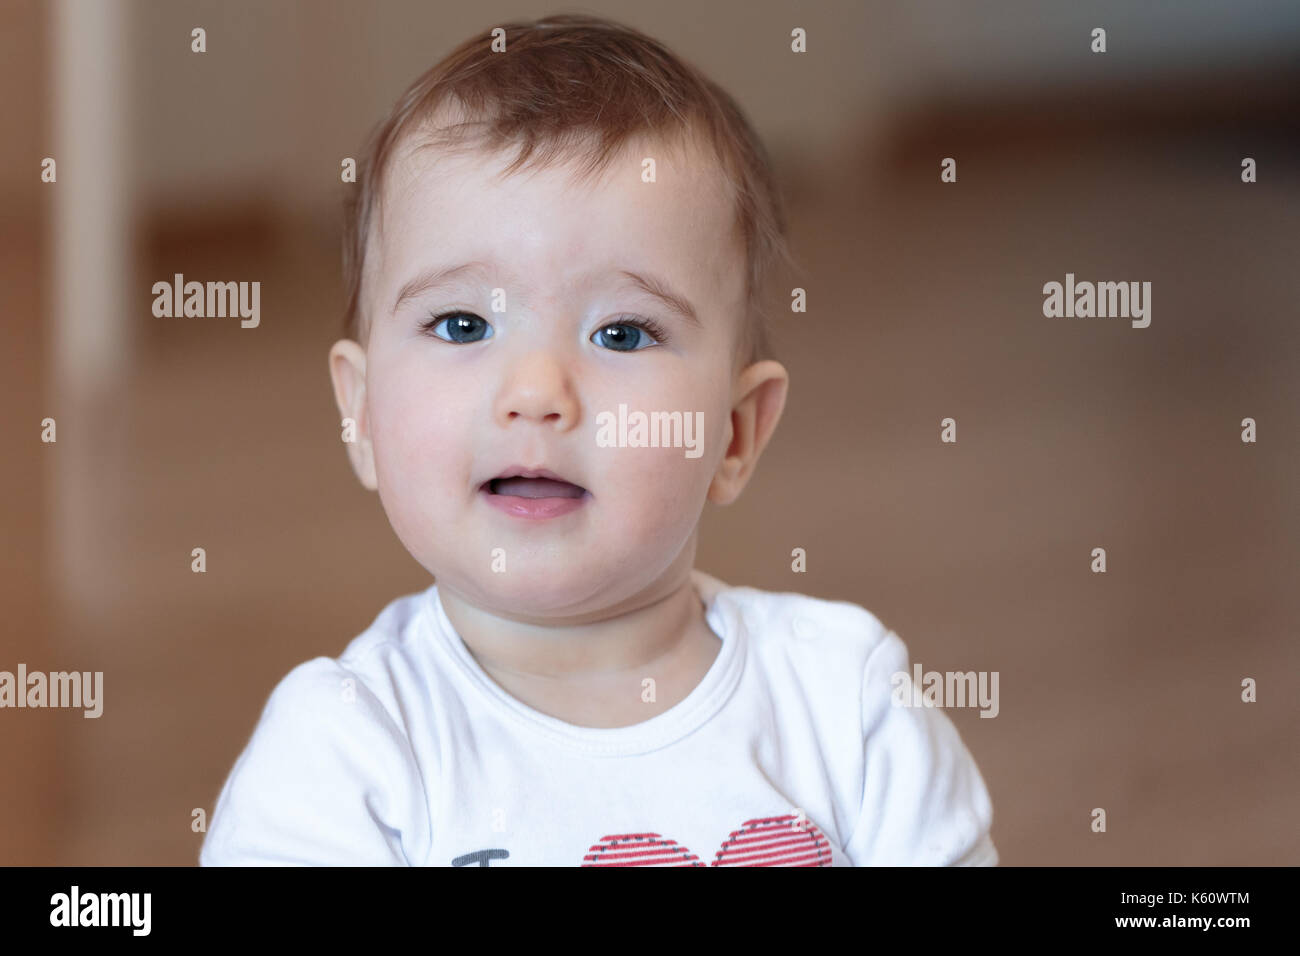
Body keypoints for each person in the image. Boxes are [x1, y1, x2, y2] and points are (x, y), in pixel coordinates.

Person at [200, 13, 996, 867]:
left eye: (622, 334)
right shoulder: (342, 757)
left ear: (734, 433)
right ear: (359, 414)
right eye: (464, 323)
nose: (537, 393)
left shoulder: (847, 705)